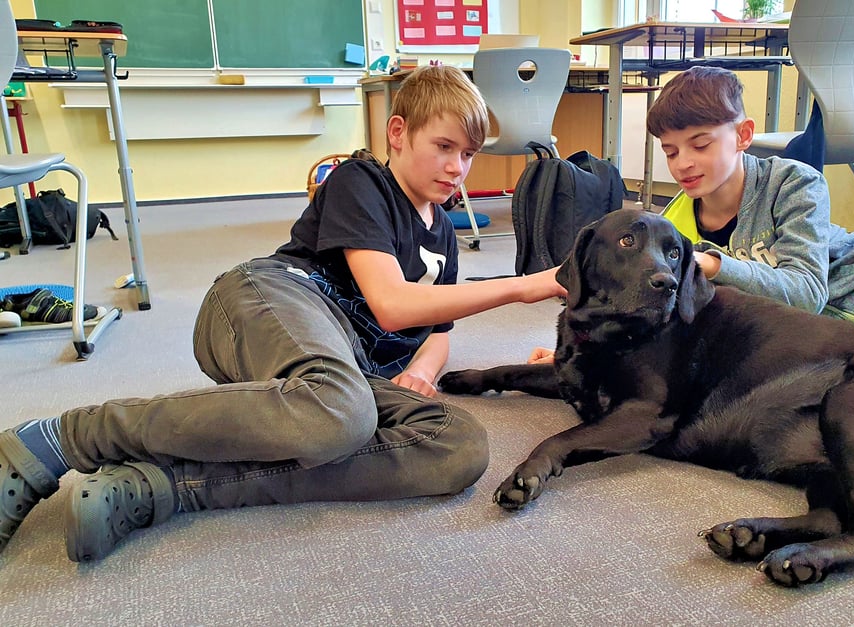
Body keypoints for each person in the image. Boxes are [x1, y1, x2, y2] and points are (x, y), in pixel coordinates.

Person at [0, 64, 565, 562]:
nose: (457, 167)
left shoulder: (442, 233)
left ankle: (161, 488)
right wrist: (521, 287)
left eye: (468, 154)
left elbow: (437, 330)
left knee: (457, 447)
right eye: (444, 147)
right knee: (341, 409)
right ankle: (62, 437)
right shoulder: (362, 180)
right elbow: (392, 305)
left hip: (337, 372)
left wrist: (422, 371)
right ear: (398, 133)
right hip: (266, 299)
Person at [530, 66, 854, 408]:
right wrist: (579, 354)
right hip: (844, 343)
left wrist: (713, 265)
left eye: (700, 145)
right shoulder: (675, 225)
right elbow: (658, 320)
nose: (683, 163)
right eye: (671, 150)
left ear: (743, 135)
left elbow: (808, 291)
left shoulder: (793, 182)